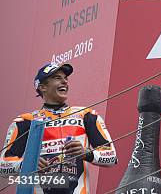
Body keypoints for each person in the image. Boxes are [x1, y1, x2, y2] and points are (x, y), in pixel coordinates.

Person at [0, 63, 117, 192]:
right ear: (43, 87)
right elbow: (3, 166)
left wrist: (87, 153)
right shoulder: (25, 121)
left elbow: (111, 157)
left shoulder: (86, 115)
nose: (64, 81)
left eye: (65, 78)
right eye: (57, 78)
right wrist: (28, 163)